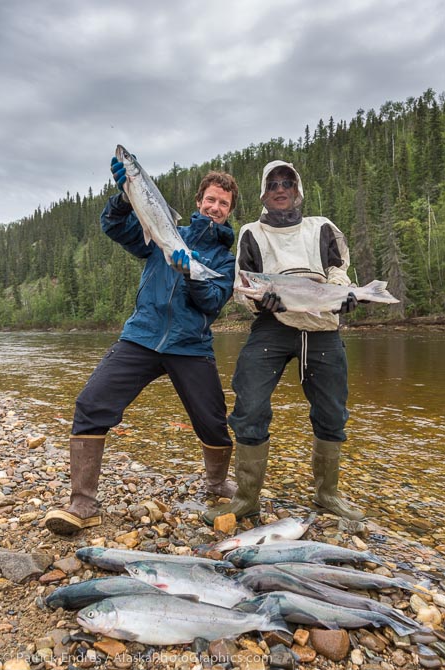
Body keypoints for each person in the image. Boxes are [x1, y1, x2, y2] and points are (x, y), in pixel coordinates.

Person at [45, 157, 239, 535]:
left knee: (214, 423)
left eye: (224, 204)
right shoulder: (161, 230)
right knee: (90, 403)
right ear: (199, 200)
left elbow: (213, 302)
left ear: (230, 210)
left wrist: (192, 274)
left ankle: (217, 484)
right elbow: (115, 226)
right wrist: (124, 196)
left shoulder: (225, 259)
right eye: (210, 200)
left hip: (191, 345)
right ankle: (83, 503)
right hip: (142, 336)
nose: (215, 208)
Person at [203, 159, 365, 526]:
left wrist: (342, 293)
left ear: (297, 189)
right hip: (272, 325)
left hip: (322, 325)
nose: (280, 188)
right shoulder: (250, 232)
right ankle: (246, 499)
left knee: (332, 412)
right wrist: (259, 300)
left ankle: (327, 495)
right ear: (263, 192)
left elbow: (338, 269)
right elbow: (243, 283)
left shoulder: (321, 227)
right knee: (250, 405)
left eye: (286, 182)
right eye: (273, 183)